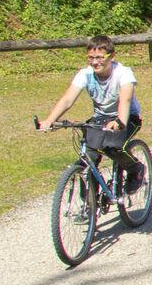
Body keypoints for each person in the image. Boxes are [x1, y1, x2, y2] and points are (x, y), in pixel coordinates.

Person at [39, 35, 144, 199]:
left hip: (127, 117)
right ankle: (90, 200)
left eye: (100, 58)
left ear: (111, 56)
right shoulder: (85, 74)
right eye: (91, 58)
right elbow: (68, 99)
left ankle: (135, 169)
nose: (95, 62)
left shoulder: (123, 73)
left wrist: (120, 121)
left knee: (113, 147)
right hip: (101, 118)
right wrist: (49, 120)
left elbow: (125, 99)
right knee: (88, 155)